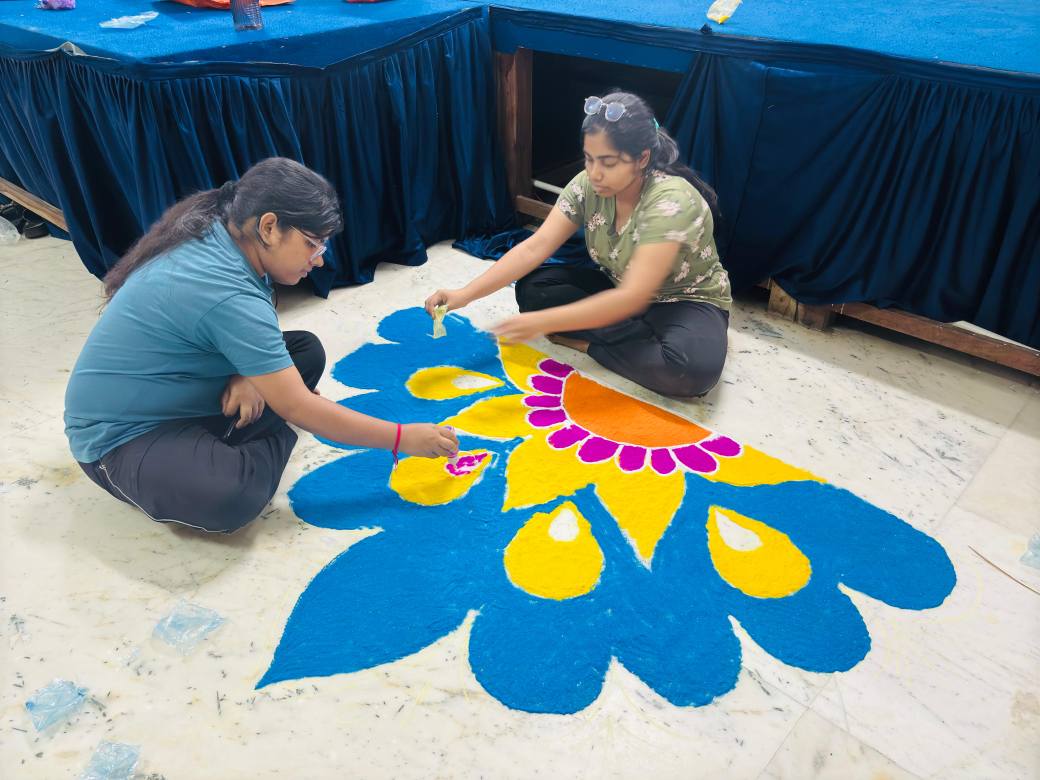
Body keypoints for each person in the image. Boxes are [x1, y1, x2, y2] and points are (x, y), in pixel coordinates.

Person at [65, 157, 458, 533]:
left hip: (175, 390)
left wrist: (245, 373)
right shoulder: (225, 290)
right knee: (232, 497)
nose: (319, 260)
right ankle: (273, 431)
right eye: (312, 244)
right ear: (269, 227)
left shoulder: (220, 229)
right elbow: (297, 402)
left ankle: (254, 410)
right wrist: (402, 438)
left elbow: (248, 318)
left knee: (306, 350)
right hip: (120, 439)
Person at [426, 91, 731, 398]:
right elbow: (536, 247)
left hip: (683, 301)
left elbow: (633, 296)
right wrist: (463, 295)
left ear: (642, 159)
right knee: (535, 290)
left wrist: (547, 322)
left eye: (609, 162)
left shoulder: (671, 202)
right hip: (619, 289)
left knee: (688, 372)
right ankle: (638, 342)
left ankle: (592, 344)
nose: (595, 173)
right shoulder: (588, 185)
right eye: (589, 158)